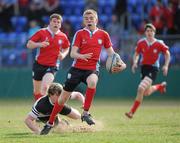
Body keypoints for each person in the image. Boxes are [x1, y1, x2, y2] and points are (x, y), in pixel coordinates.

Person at [40, 9, 126, 135]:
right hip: (76, 69)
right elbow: (72, 53)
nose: (89, 20)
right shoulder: (79, 33)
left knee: (92, 82)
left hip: (92, 69)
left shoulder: (103, 35)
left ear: (96, 20)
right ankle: (50, 123)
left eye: (91, 18)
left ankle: (85, 113)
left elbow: (111, 54)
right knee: (62, 100)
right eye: (86, 19)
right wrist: (82, 56)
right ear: (83, 21)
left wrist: (122, 65)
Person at [125, 23, 170, 119]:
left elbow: (167, 54)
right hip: (144, 68)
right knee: (146, 92)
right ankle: (160, 86)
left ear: (154, 32)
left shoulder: (159, 43)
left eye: (151, 31)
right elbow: (136, 53)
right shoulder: (141, 42)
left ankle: (131, 112)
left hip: (153, 68)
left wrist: (166, 66)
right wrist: (135, 62)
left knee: (141, 88)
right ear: (145, 32)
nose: (149, 33)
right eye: (147, 31)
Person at [26, 13, 70, 100]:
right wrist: (39, 44)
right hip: (39, 64)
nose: (56, 23)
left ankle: (45, 109)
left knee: (45, 87)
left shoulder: (63, 36)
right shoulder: (41, 32)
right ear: (50, 22)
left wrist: (63, 55)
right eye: (54, 21)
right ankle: (38, 109)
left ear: (60, 25)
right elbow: (29, 45)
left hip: (52, 65)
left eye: (58, 22)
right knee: (37, 91)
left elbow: (67, 48)